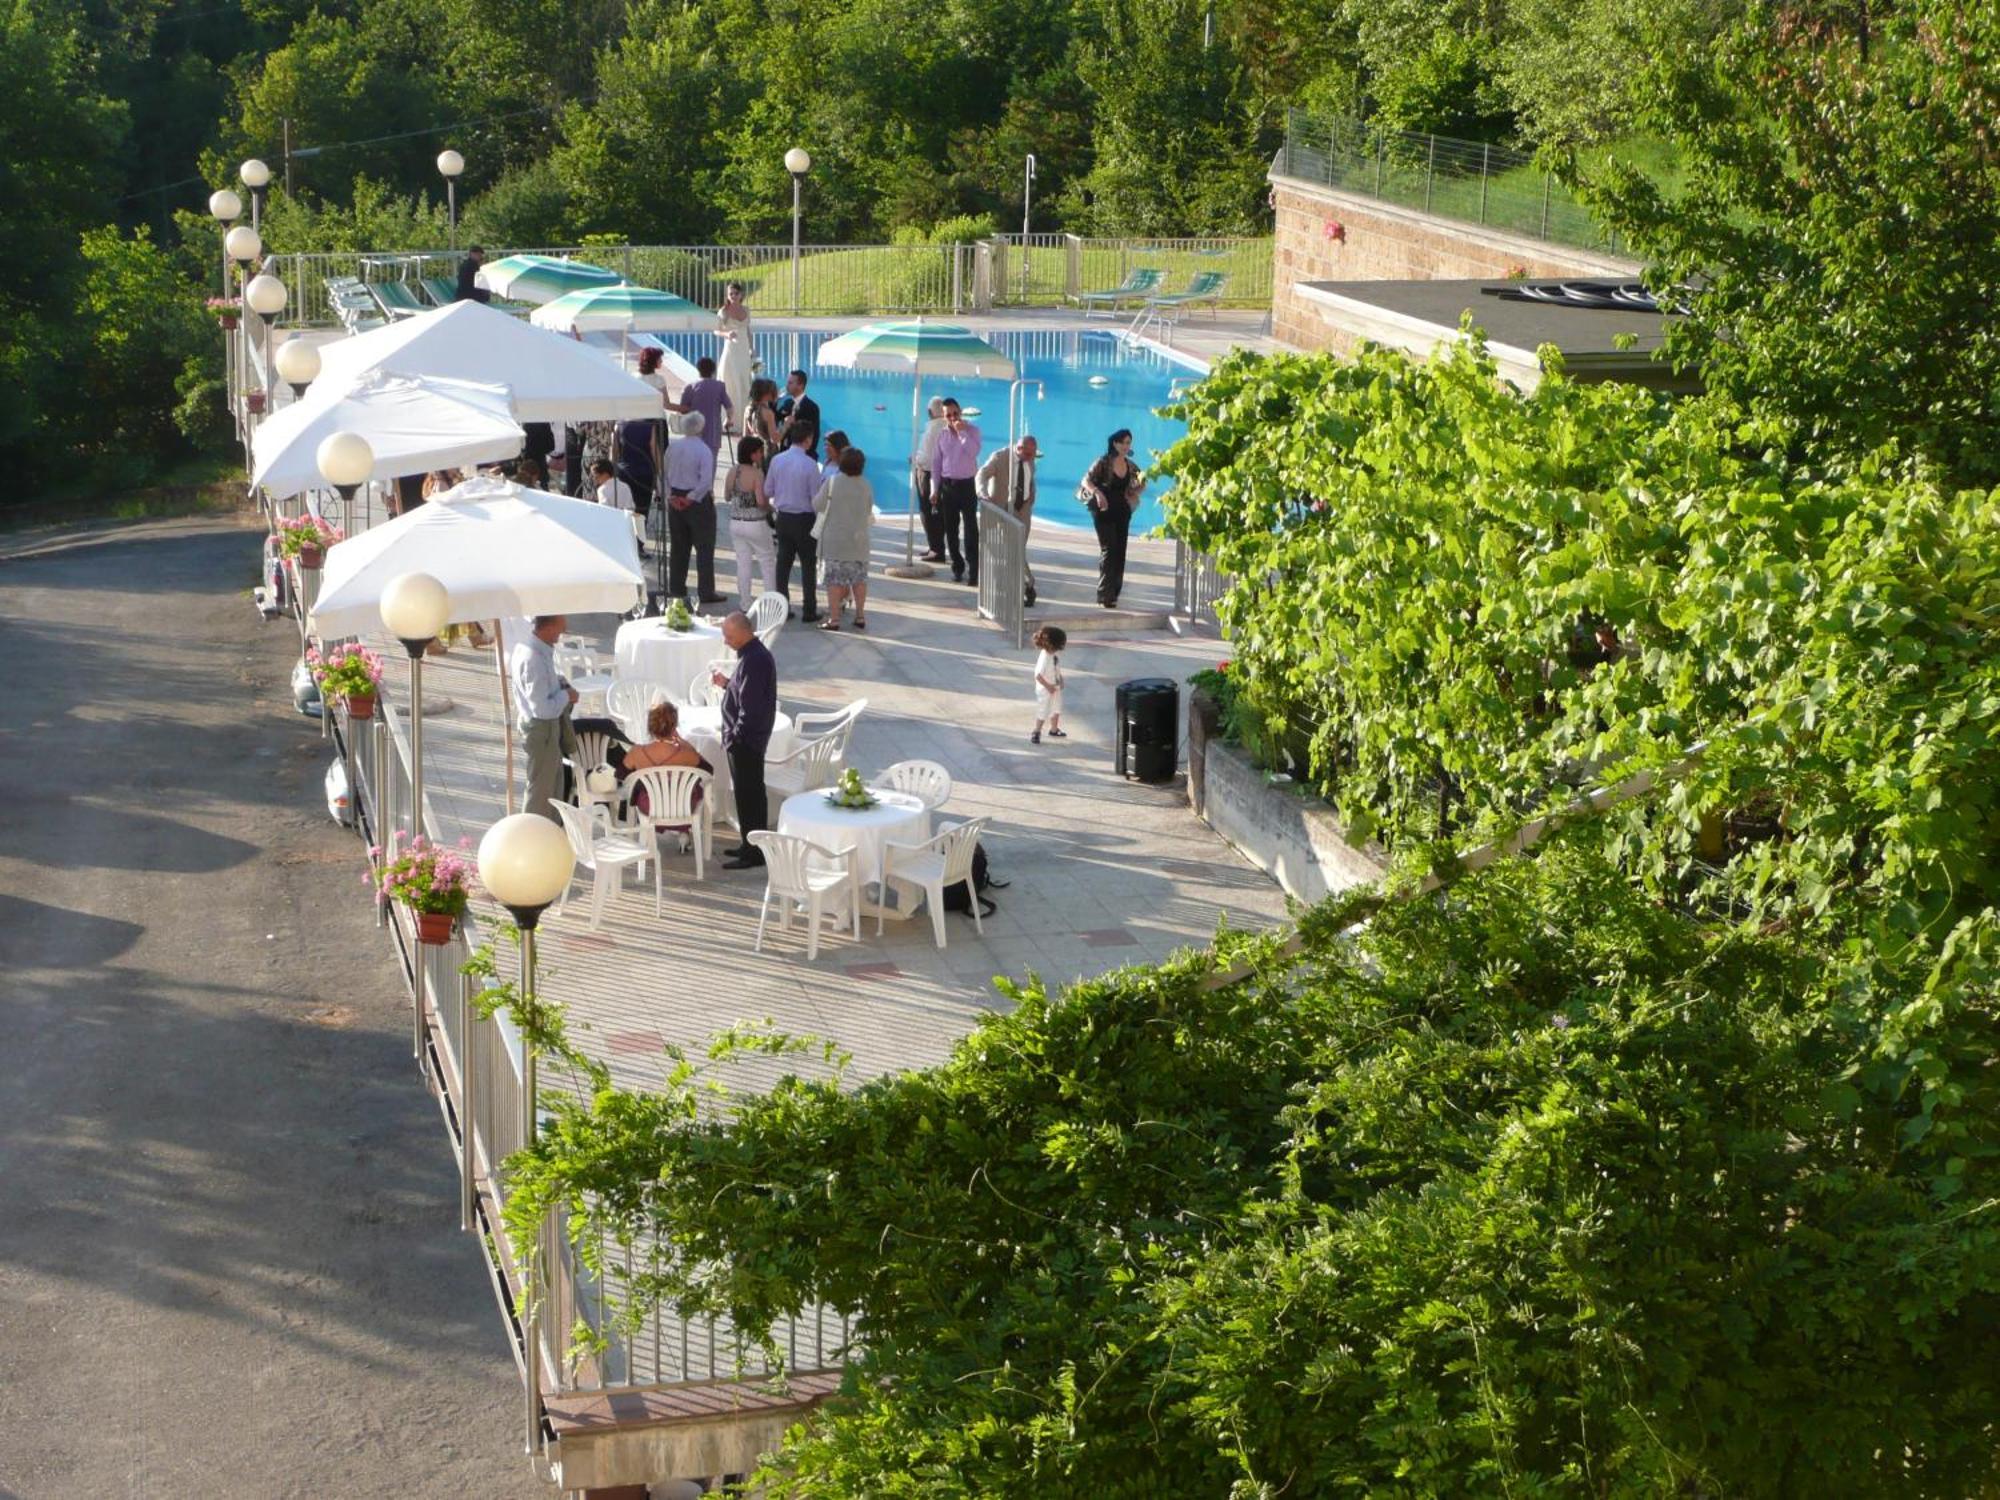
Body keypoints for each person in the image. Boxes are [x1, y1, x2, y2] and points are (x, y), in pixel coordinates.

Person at [715, 611, 776, 867]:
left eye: (729, 636)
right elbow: (745, 691)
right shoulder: (751, 656)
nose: (726, 641)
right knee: (745, 794)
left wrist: (736, 737)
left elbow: (749, 708)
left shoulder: (755, 660)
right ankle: (748, 844)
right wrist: (727, 684)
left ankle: (755, 852)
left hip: (747, 741)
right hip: (746, 739)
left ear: (743, 632)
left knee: (750, 795)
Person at [511, 614, 580, 823]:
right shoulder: (533, 658)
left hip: (544, 729)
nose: (562, 633)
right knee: (541, 791)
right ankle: (531, 835)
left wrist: (559, 684)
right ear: (548, 628)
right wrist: (566, 695)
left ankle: (549, 833)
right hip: (542, 729)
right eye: (560, 629)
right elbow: (542, 708)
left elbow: (542, 689)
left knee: (552, 786)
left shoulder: (532, 649)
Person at [663, 411, 724, 603]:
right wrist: (691, 498)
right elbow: (705, 480)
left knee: (679, 547)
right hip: (697, 502)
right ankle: (705, 591)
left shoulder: (672, 447)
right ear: (701, 428)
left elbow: (663, 473)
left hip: (675, 497)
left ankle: (676, 588)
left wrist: (671, 497)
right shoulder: (703, 450)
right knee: (704, 547)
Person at [1081, 429, 1145, 608]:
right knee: (1109, 550)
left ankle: (1114, 592)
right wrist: (1098, 493)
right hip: (1103, 510)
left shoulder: (1131, 465)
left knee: (1120, 551)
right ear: (1115, 443)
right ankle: (1104, 595)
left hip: (1122, 511)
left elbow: (1143, 482)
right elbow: (1086, 480)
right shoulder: (1103, 461)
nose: (1126, 446)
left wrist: (1135, 492)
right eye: (1123, 442)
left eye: (1128, 443)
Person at [767, 420, 823, 621]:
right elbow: (815, 498)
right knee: (808, 565)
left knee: (783, 564)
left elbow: (768, 490)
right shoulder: (810, 465)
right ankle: (809, 609)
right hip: (804, 518)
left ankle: (782, 608)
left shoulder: (777, 460)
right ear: (808, 440)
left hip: (783, 517)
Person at [814, 445, 874, 631]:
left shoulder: (832, 482)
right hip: (859, 541)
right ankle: (860, 616)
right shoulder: (866, 485)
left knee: (834, 581)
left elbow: (817, 505)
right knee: (859, 580)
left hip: (835, 541)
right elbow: (869, 509)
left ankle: (834, 619)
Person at [619, 699, 713, 816]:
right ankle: (682, 831)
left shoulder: (637, 752)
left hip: (650, 808)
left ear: (650, 727)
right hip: (684, 809)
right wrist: (684, 743)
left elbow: (621, 774)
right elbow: (708, 770)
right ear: (674, 727)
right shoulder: (686, 754)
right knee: (696, 789)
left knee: (639, 790)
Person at [932, 397, 983, 585]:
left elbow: (973, 452)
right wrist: (934, 489)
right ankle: (957, 567)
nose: (953, 418)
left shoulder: (973, 431)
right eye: (948, 415)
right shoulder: (941, 435)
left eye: (955, 413)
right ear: (944, 416)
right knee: (951, 531)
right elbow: (936, 463)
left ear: (960, 411)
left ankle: (974, 571)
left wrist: (962, 434)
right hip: (948, 486)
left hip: (967, 485)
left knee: (971, 530)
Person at [726, 435, 779, 606]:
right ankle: (771, 601)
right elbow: (761, 502)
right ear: (752, 454)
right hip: (756, 523)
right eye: (759, 451)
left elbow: (727, 496)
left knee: (743, 564)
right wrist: (772, 508)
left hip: (736, 522)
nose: (762, 454)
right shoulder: (757, 473)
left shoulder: (733, 471)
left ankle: (745, 603)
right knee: (767, 561)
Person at [667, 355, 732, 458]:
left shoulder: (690, 387)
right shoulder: (720, 386)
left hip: (694, 431)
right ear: (713, 370)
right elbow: (729, 407)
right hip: (713, 432)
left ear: (698, 370)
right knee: (711, 461)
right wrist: (728, 420)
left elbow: (683, 409)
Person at [912, 396, 948, 562]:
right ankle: (936, 547)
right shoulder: (946, 426)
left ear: (929, 412)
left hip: (927, 473)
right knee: (938, 512)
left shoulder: (933, 429)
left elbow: (927, 457)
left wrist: (914, 460)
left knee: (927, 511)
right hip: (941, 474)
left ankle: (936, 549)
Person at [716, 281, 754, 424]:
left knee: (744, 382)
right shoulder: (723, 311)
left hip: (744, 350)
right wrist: (726, 335)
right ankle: (729, 420)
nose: (733, 296)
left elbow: (748, 330)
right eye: (730, 294)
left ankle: (745, 421)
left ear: (741, 294)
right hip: (731, 350)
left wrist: (752, 348)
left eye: (735, 293)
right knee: (730, 382)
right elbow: (716, 330)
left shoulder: (746, 310)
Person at [1030, 625, 1067, 744]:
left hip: (1054, 687)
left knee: (1056, 708)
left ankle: (1054, 729)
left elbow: (1056, 668)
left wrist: (1060, 679)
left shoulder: (1054, 654)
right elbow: (1038, 675)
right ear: (1052, 644)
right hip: (1045, 689)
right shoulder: (1044, 656)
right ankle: (1036, 731)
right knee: (1043, 709)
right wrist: (1048, 686)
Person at [775, 370, 822, 459]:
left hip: (802, 455)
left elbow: (814, 434)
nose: (787, 386)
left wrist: (807, 455)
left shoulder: (811, 407)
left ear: (800, 385)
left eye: (790, 383)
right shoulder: (787, 403)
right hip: (785, 453)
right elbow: (775, 418)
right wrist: (774, 400)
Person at [745, 377, 784, 454]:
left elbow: (745, 436)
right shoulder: (768, 413)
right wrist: (786, 425)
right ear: (767, 394)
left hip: (754, 452)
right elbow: (774, 439)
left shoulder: (748, 409)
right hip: (767, 452)